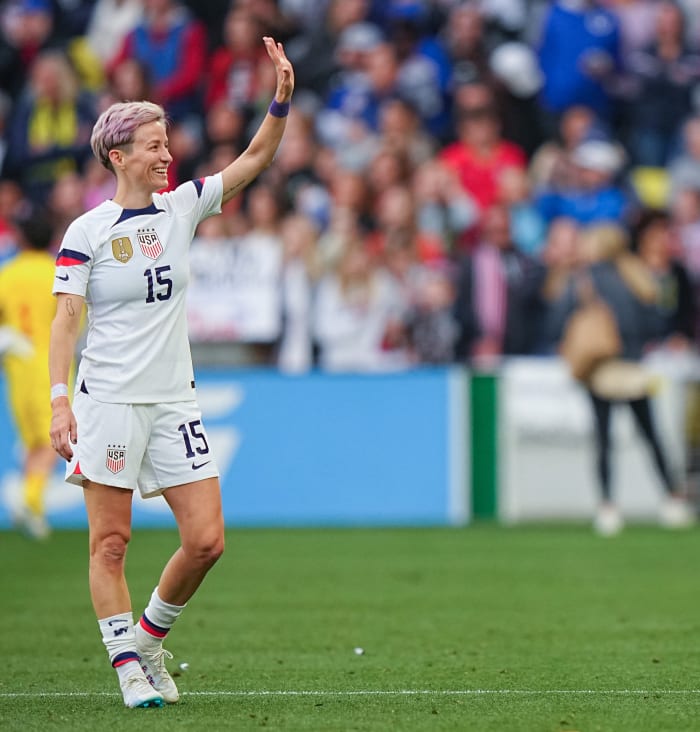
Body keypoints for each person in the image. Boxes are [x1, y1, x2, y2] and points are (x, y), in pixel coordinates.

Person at [48, 36, 294, 709]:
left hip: (174, 401)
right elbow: (66, 321)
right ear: (118, 156)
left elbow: (253, 160)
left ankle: (151, 639)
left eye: (168, 143)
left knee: (208, 541)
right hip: (111, 404)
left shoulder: (183, 208)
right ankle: (128, 666)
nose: (167, 155)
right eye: (155, 145)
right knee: (111, 542)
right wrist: (59, 401)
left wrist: (279, 102)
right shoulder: (87, 232)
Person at [0, 210, 58, 539]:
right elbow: (74, 322)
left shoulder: (7, 273)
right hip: (50, 367)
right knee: (52, 439)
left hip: (15, 365)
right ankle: (31, 497)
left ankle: (34, 511)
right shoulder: (56, 272)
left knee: (32, 441)